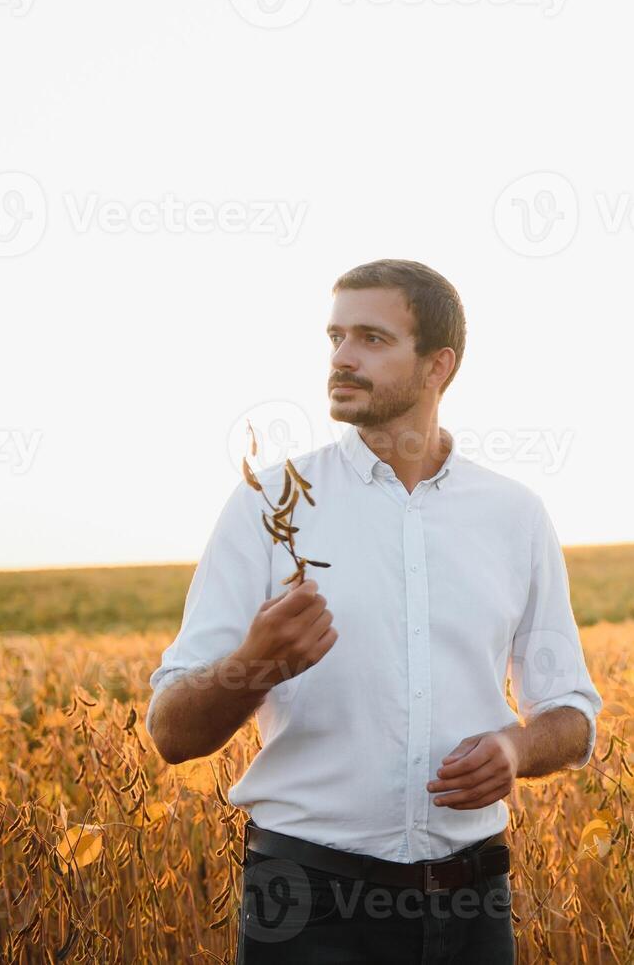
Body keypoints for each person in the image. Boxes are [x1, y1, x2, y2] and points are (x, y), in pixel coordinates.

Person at [145, 258, 603, 963]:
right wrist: (254, 665)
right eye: (335, 337)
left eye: (371, 338)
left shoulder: (514, 516)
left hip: (472, 903)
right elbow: (172, 733)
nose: (342, 358)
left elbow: (572, 717)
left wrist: (515, 748)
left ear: (436, 366)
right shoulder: (268, 508)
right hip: (305, 905)